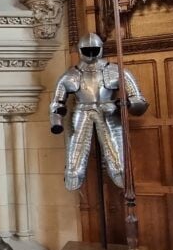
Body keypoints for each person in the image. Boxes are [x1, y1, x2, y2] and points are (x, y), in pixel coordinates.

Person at [49, 33, 148, 191]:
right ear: (80, 50)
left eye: (93, 49)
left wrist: (125, 104)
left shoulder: (117, 71)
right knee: (74, 171)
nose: (90, 53)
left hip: (108, 111)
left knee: (119, 167)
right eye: (86, 50)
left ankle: (126, 188)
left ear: (100, 49)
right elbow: (56, 103)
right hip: (81, 113)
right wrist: (56, 121)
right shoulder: (70, 75)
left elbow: (140, 101)